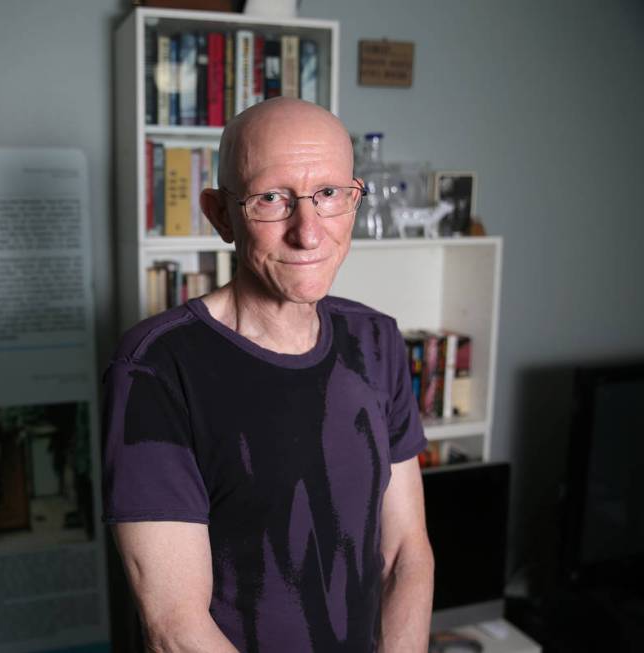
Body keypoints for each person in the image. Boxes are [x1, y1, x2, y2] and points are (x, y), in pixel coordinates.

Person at [102, 97, 433, 652]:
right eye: (272, 199)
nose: (309, 233)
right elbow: (175, 628)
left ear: (353, 199)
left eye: (329, 195)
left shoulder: (376, 340)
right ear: (221, 214)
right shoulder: (155, 367)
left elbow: (404, 550)